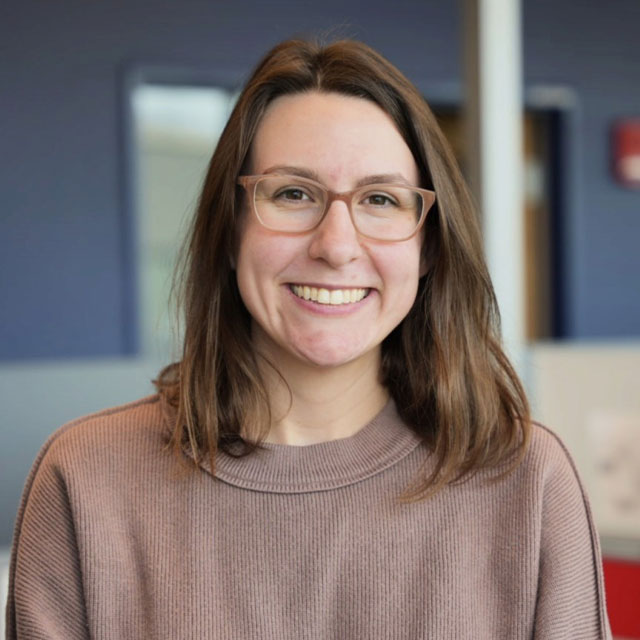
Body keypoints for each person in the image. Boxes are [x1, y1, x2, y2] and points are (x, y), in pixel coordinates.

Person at [6, 39, 611, 639]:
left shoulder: (527, 483)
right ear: (231, 227)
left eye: (380, 199)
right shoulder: (86, 480)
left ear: (428, 246)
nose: (337, 245)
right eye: (293, 193)